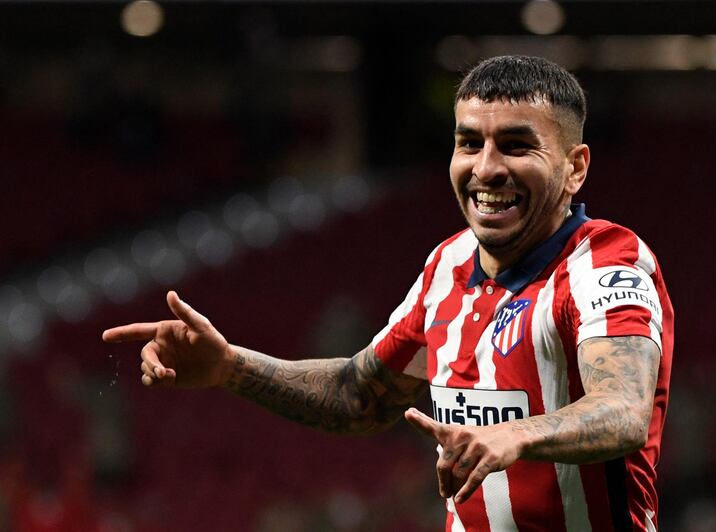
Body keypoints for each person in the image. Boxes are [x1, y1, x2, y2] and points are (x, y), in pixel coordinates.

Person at [103, 55, 673, 531]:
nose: (486, 168)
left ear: (575, 169)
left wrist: (513, 436)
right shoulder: (446, 267)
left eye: (517, 146)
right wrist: (231, 367)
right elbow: (361, 396)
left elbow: (623, 410)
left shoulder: (607, 266)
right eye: (469, 143)